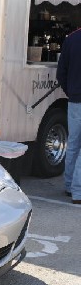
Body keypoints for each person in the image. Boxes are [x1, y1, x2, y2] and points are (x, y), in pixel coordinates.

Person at [56, 28, 81, 204]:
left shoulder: (71, 39)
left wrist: (71, 91)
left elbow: (61, 73)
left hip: (74, 100)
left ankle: (69, 185)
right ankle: (78, 193)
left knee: (73, 144)